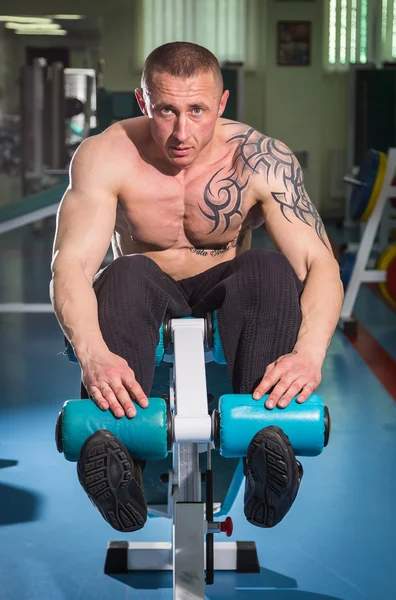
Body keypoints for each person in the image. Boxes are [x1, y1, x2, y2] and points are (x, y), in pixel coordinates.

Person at [50, 42, 343, 533]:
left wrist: (309, 355)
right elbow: (72, 265)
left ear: (222, 103)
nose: (182, 132)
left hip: (225, 290)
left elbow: (320, 265)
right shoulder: (106, 155)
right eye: (167, 110)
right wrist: (92, 353)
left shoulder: (259, 158)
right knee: (122, 274)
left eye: (197, 111)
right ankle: (118, 463)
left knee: (269, 270)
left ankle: (268, 453)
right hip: (145, 293)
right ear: (144, 103)